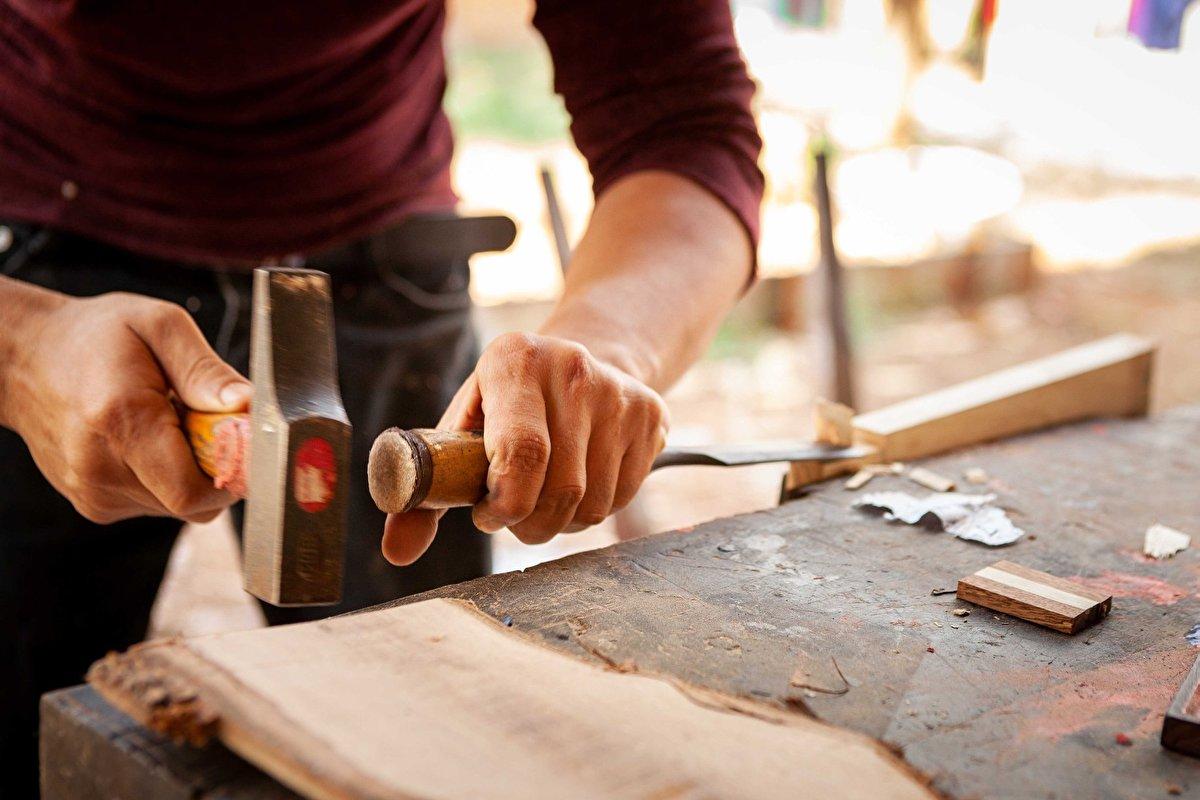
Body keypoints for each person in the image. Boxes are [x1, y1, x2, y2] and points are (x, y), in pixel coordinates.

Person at [0, 0, 762, 793]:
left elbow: (686, 119)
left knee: (419, 733)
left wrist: (610, 345)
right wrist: (15, 351)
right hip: (39, 256)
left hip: (380, 249)